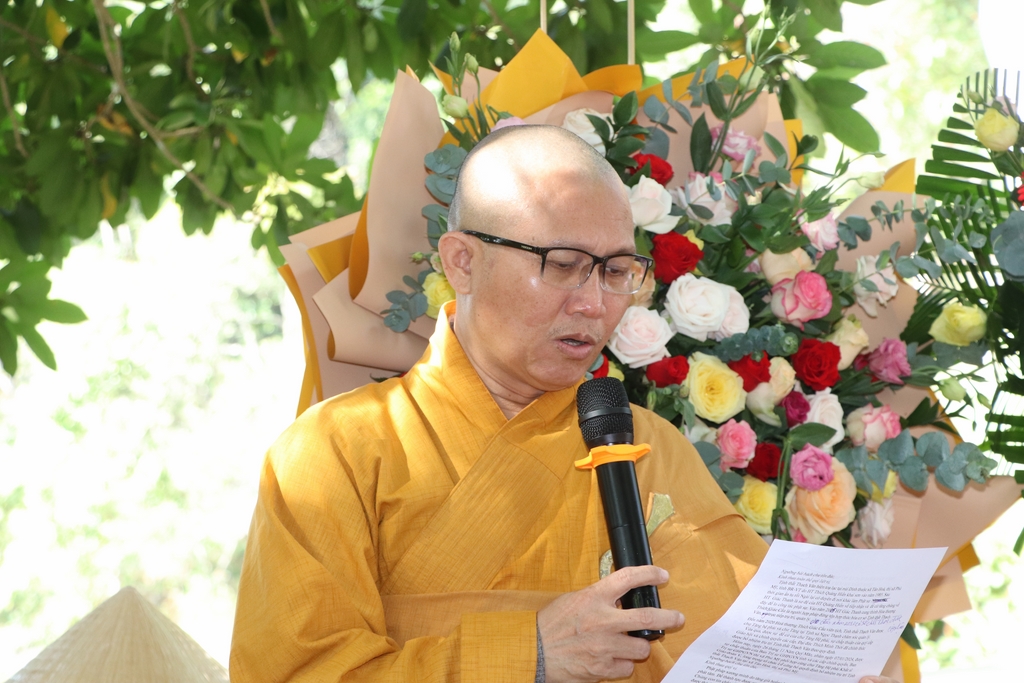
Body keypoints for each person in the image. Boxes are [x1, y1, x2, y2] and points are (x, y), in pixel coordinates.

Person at [230, 125, 899, 683]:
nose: (593, 303)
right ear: (461, 262)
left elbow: (733, 648)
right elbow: (294, 674)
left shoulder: (648, 450)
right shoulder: (333, 452)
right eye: (561, 262)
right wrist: (529, 653)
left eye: (616, 271)